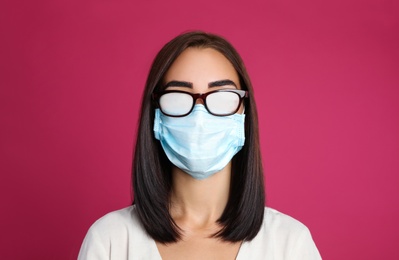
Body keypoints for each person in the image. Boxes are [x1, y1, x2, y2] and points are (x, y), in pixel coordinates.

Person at [78, 31, 322, 259]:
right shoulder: (110, 239)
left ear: (243, 112)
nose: (200, 116)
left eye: (222, 95)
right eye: (177, 95)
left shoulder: (290, 243)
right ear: (156, 113)